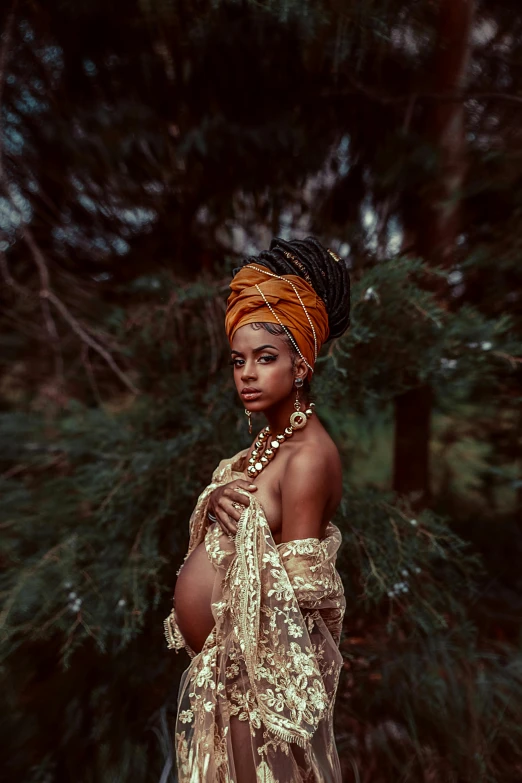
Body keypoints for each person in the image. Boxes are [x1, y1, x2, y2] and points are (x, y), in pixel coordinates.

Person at [163, 236, 351, 782]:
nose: (247, 374)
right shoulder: (266, 445)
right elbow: (236, 522)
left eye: (265, 359)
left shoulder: (309, 459)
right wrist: (215, 495)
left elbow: (303, 597)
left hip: (258, 684)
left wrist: (271, 703)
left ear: (301, 364)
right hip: (223, 673)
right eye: (238, 360)